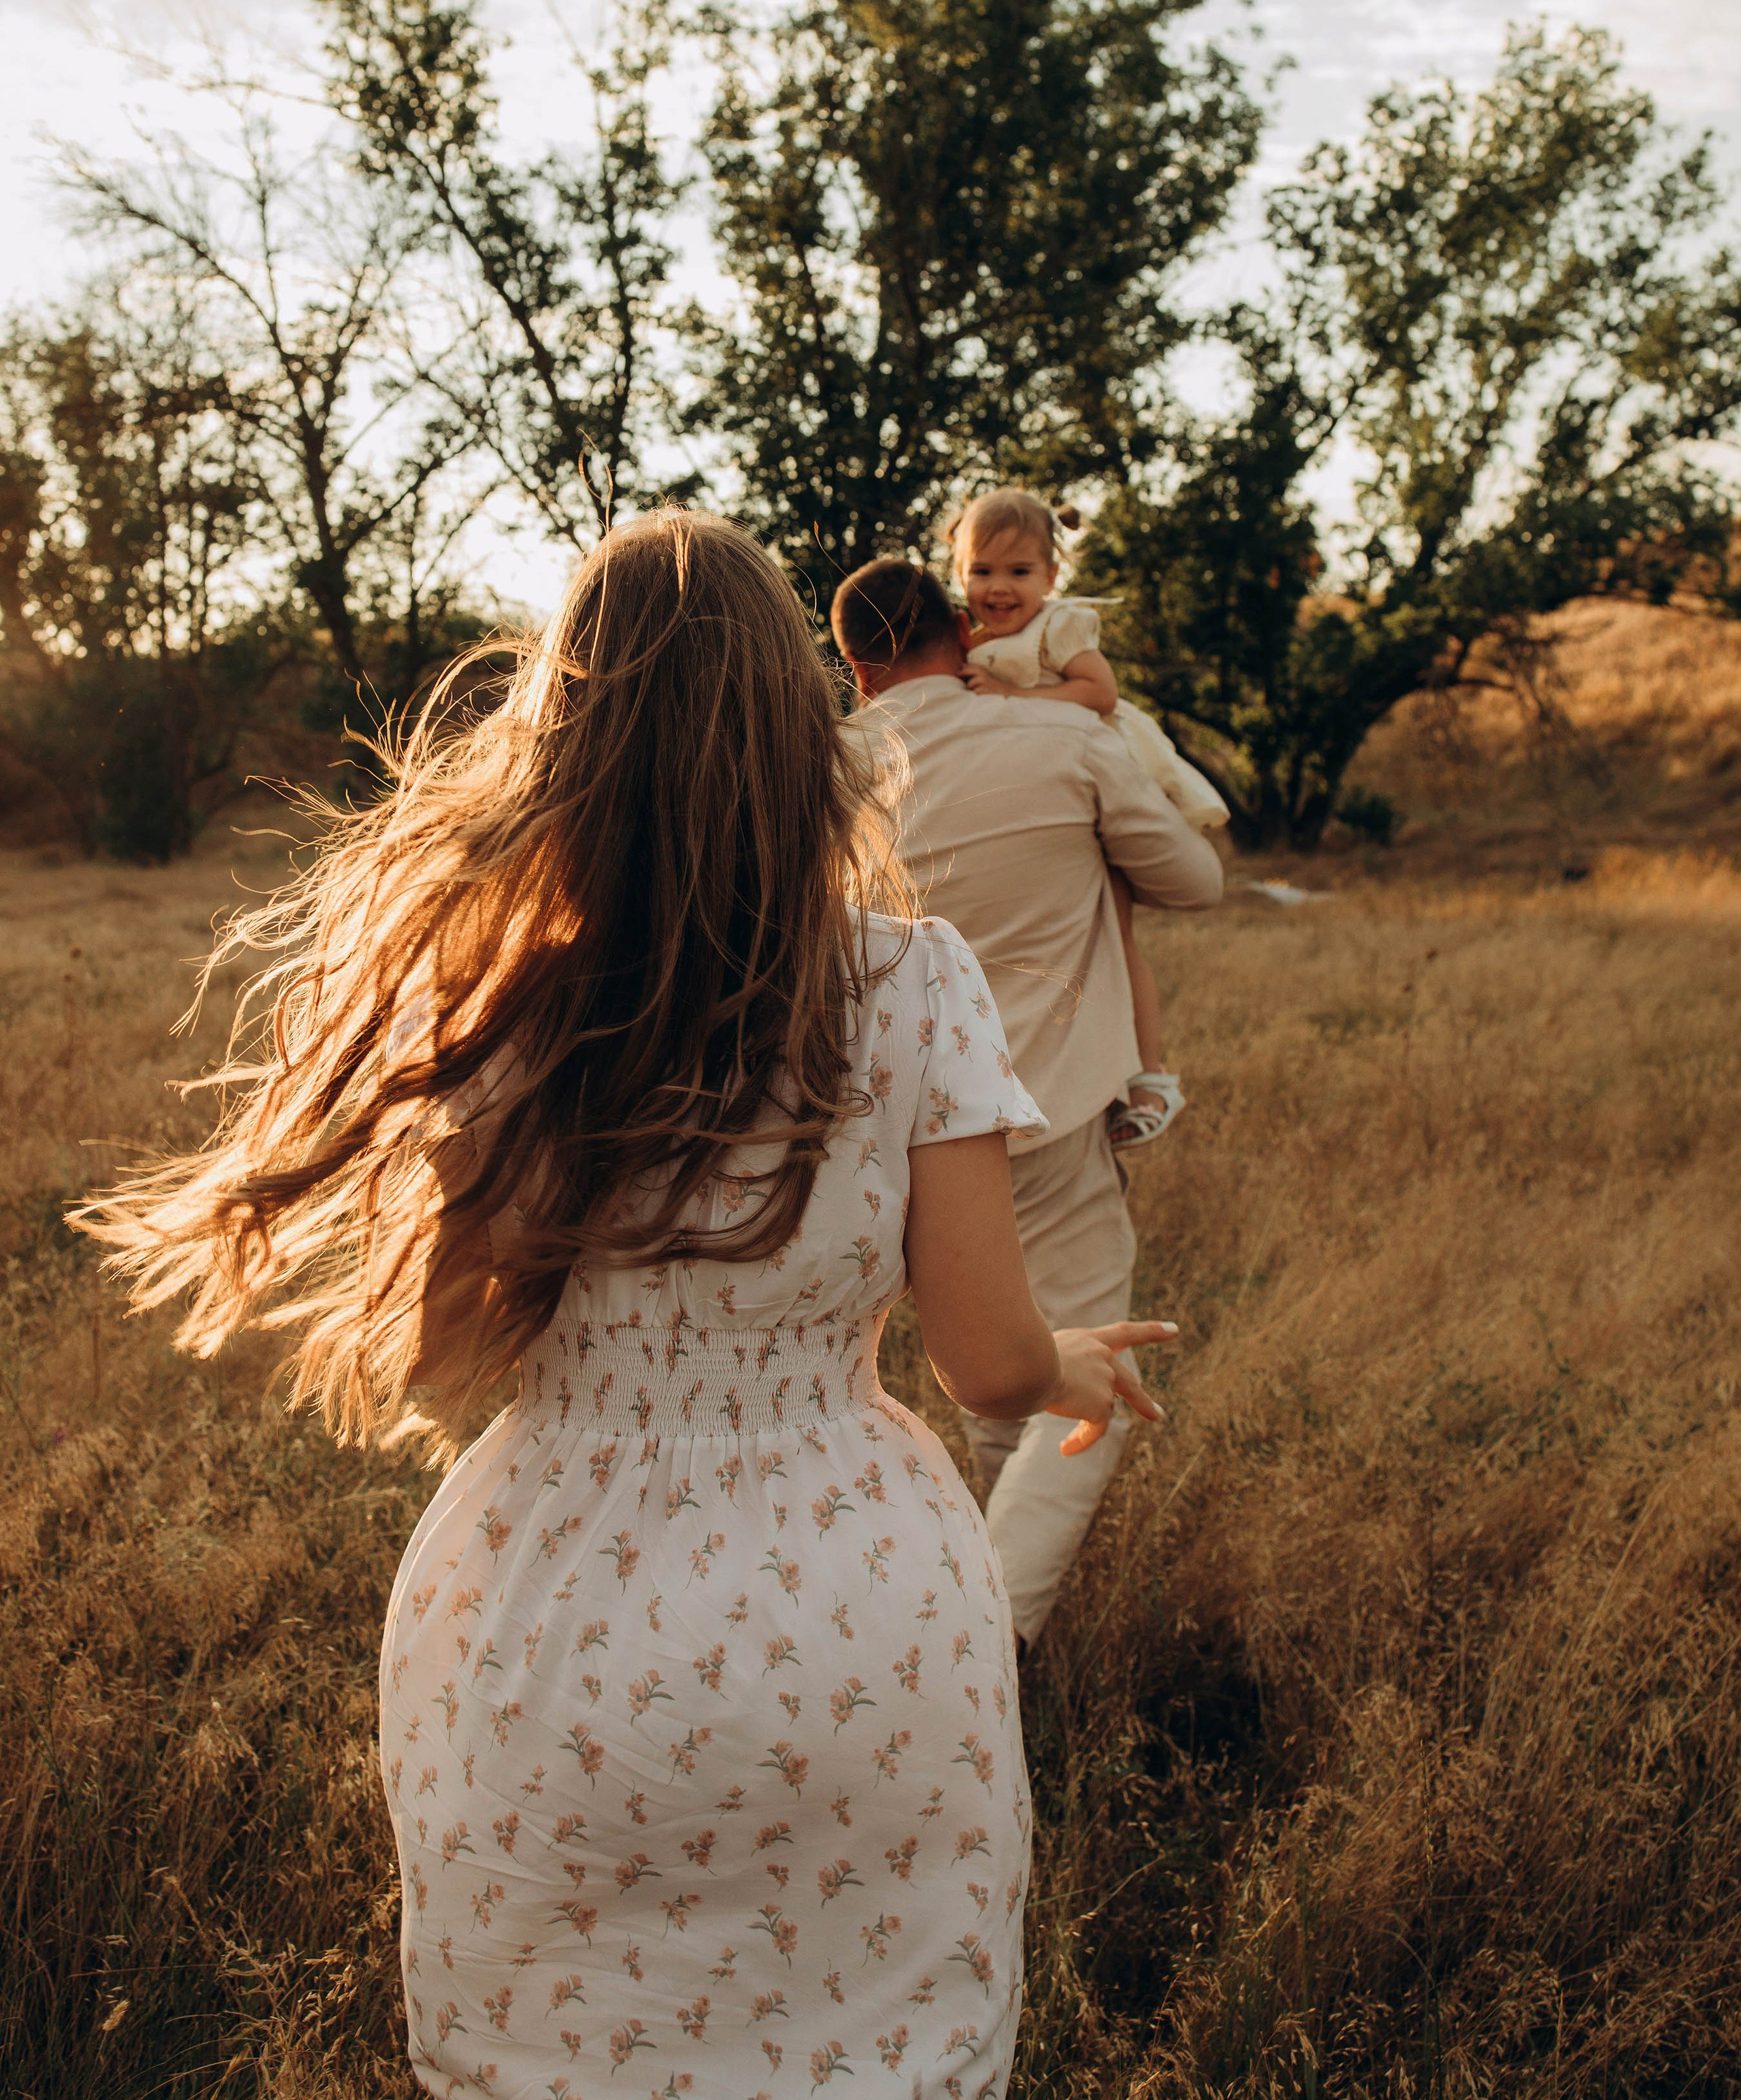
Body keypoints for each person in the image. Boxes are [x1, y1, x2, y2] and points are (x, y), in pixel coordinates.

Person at [76, 511, 1178, 2100]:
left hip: (556, 1619)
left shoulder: (505, 999)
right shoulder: (913, 981)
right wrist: (1068, 1355)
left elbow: (457, 1360)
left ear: (563, 738)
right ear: (803, 731)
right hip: (852, 1612)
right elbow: (988, 1362)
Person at [830, 556, 1223, 1653]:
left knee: (995, 1361)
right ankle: (981, 1646)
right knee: (1094, 1375)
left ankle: (982, 1597)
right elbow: (1195, 880)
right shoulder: (1071, 739)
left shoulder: (829, 766)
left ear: (857, 664)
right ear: (964, 625)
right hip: (1050, 1104)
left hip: (895, 1124)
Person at [946, 486, 1229, 1150]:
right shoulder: (975, 640)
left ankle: (1150, 1075)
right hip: (1055, 799)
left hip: (1105, 788)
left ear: (1052, 575)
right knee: (1082, 941)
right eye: (982, 571)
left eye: (1019, 572)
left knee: (1117, 936)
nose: (999, 587)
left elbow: (1098, 693)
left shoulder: (1058, 627)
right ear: (959, 574)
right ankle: (1092, 1071)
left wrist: (1013, 694)